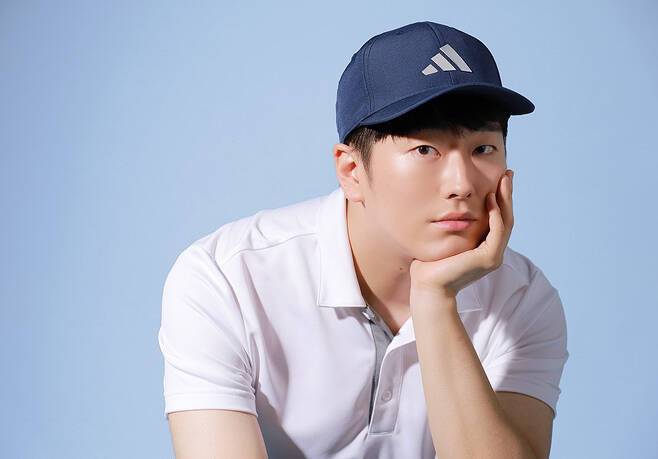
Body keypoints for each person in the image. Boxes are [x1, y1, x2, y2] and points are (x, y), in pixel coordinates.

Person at [158, 21, 569, 459]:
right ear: (351, 171)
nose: (461, 184)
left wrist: (434, 300)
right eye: (425, 150)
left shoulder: (523, 300)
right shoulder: (226, 279)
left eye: (483, 149)